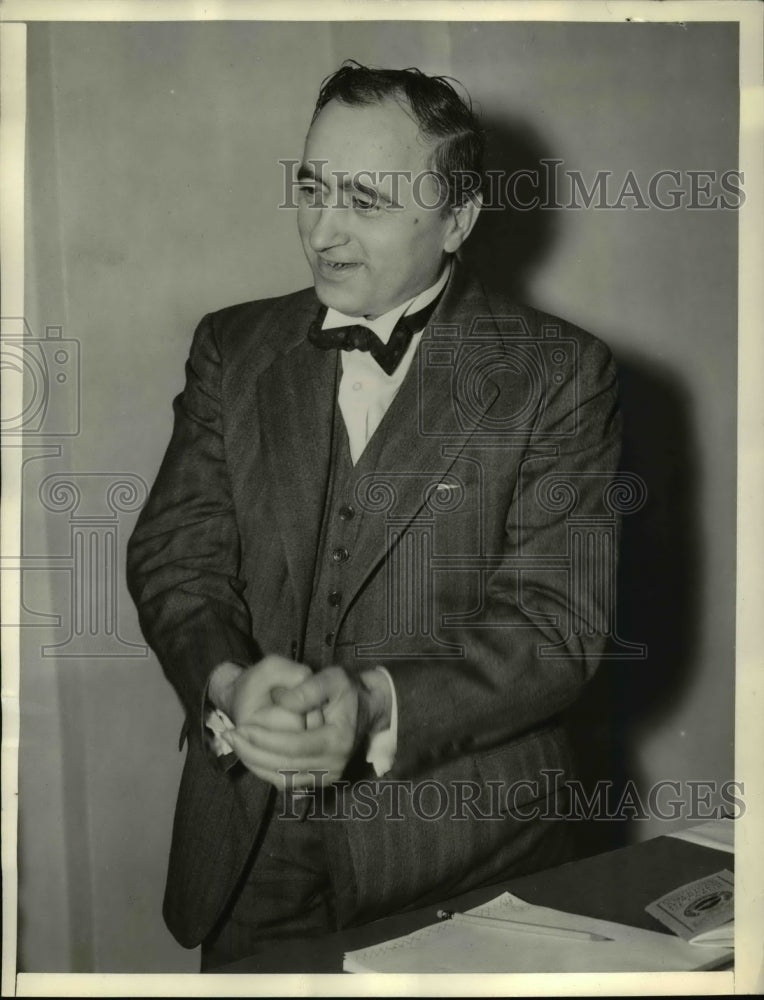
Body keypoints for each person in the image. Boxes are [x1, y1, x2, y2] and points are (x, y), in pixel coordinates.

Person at [126, 61, 622, 971]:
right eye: (311, 187)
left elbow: (557, 627)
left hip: (463, 858)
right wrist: (228, 685)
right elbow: (176, 559)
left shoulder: (560, 376)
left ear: (458, 220)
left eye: (366, 198)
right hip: (247, 847)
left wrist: (372, 704)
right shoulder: (231, 348)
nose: (322, 230)